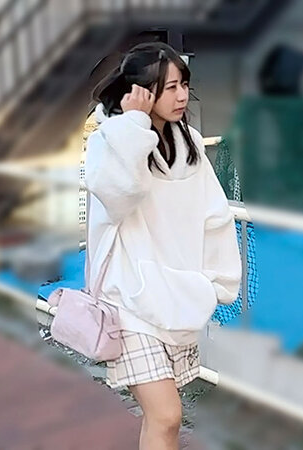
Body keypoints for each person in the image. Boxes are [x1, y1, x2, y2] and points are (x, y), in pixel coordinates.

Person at [85, 42, 242, 450]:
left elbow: (215, 214)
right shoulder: (109, 140)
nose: (182, 95)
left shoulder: (189, 145)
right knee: (167, 415)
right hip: (128, 298)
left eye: (184, 85)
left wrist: (215, 281)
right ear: (141, 90)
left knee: (162, 423)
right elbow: (119, 198)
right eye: (170, 87)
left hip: (177, 297)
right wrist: (134, 127)